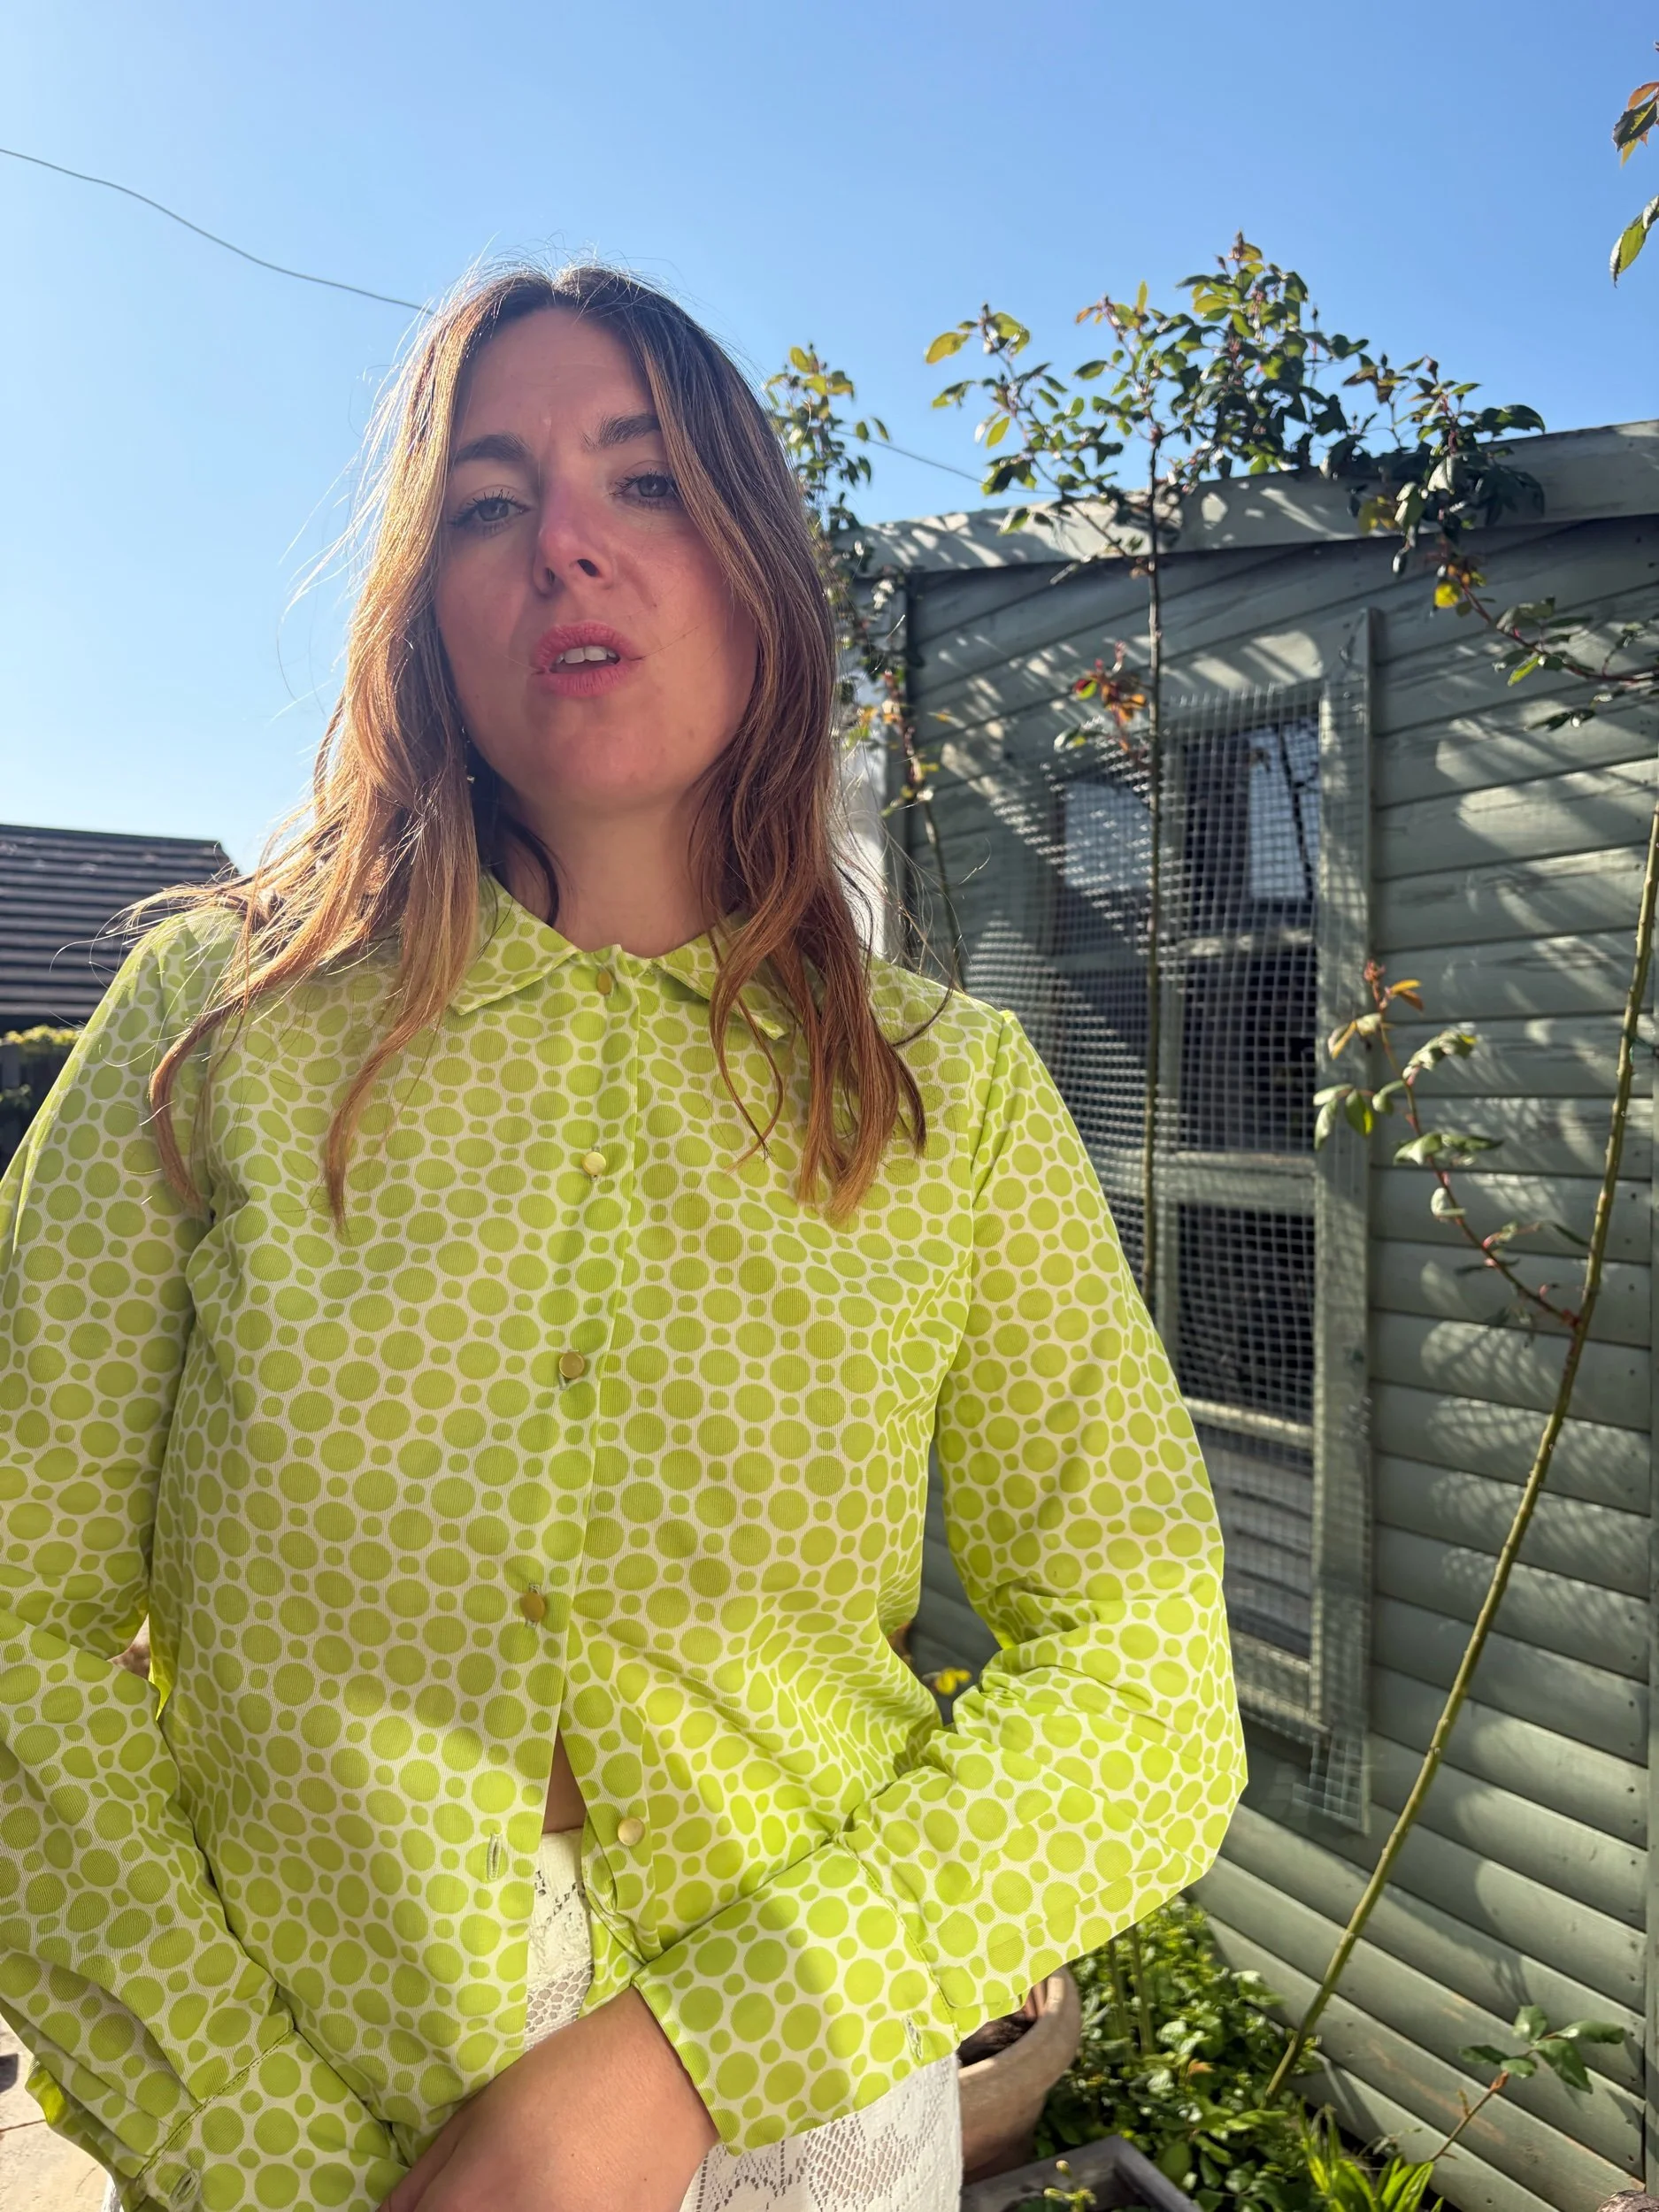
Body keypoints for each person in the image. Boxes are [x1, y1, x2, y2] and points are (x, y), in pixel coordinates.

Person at [0, 263, 1245, 2212]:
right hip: (281, 2105)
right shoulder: (213, 1032)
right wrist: (255, 2142)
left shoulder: (951, 1096)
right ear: (424, 607)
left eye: (643, 479)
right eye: (486, 502)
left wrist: (686, 2058)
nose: (565, 543)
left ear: (758, 573)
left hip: (814, 2130)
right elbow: (19, 1622)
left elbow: (1147, 1667)